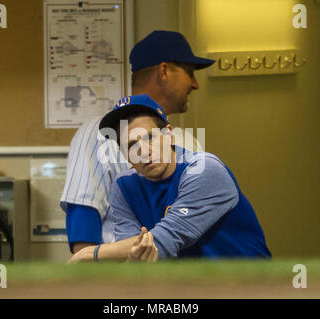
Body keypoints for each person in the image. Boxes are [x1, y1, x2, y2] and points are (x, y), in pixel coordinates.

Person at [60, 30, 215, 255]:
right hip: (123, 278)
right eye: (189, 72)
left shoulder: (189, 142)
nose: (195, 84)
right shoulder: (99, 132)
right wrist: (90, 273)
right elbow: (83, 209)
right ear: (164, 71)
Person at [68, 94, 271, 262]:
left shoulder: (204, 169)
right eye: (131, 145)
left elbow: (164, 241)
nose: (144, 151)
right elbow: (136, 257)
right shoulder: (124, 186)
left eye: (150, 137)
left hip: (249, 287)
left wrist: (89, 253)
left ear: (169, 135)